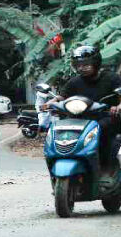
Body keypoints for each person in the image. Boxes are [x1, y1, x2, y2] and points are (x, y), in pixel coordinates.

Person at [43, 45, 121, 182]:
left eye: (86, 65)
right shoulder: (75, 81)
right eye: (78, 65)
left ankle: (107, 167)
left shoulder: (111, 78)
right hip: (80, 119)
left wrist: (118, 106)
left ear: (96, 63)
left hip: (106, 117)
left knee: (102, 129)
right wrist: (51, 103)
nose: (81, 68)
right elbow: (62, 96)